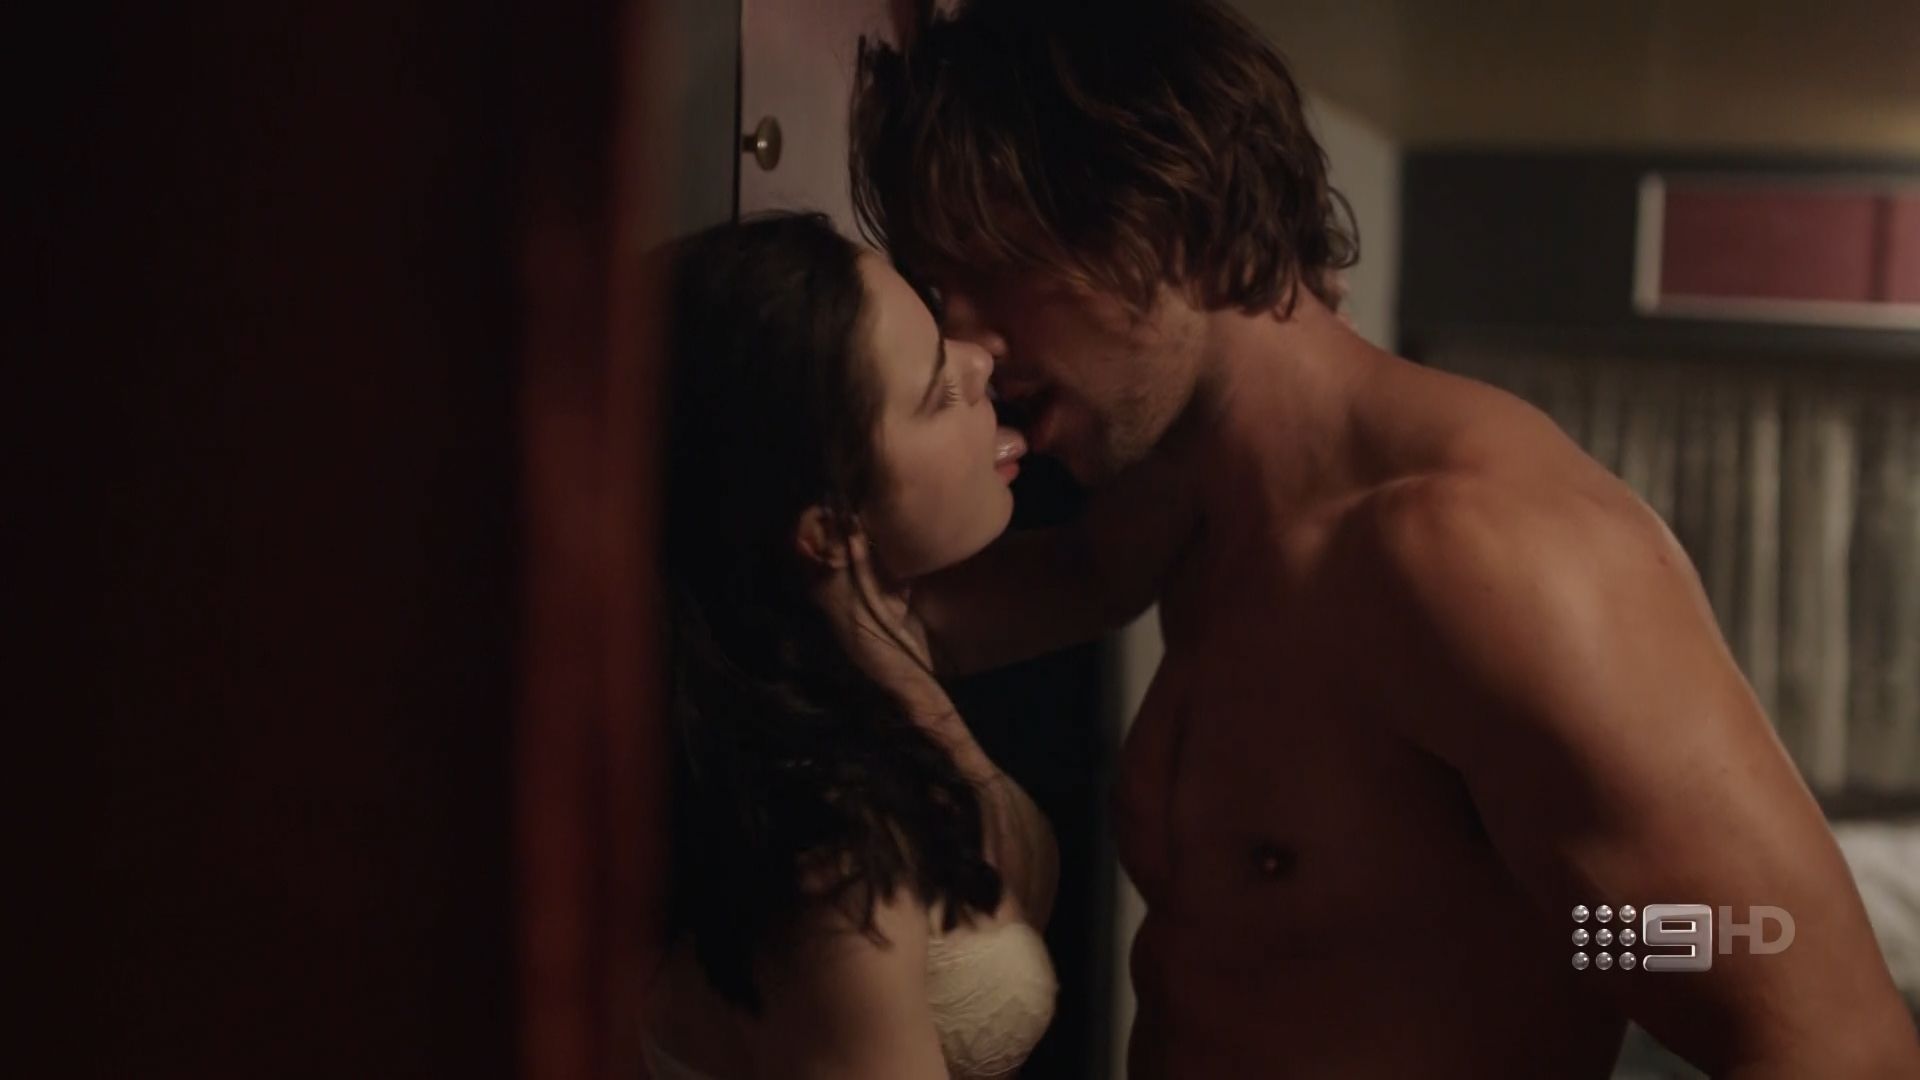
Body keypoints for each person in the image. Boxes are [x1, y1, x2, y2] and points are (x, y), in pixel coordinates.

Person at [850, 2, 1920, 1076]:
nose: (963, 342)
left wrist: (1592, 940)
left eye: (993, 268)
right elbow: (924, 615)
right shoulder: (1183, 502)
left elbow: (1823, 1018)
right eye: (943, 291)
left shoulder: (1480, 554)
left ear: (1162, 222)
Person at [644, 212, 1059, 1079]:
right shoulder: (830, 857)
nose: (980, 362)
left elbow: (1112, 571)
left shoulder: (845, 648)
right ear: (830, 531)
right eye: (938, 394)